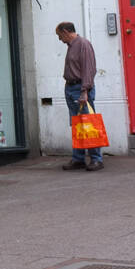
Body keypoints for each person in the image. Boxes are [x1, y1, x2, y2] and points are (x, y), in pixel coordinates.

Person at [57, 22, 102, 171]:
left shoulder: (83, 44)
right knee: (77, 124)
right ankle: (79, 159)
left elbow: (89, 69)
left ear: (65, 31)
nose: (59, 39)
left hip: (80, 89)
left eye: (59, 35)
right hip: (71, 88)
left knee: (88, 124)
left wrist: (85, 91)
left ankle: (96, 159)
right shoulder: (71, 46)